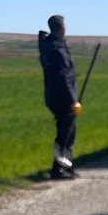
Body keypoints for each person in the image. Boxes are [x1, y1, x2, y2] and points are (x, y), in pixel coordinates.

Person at [38, 15, 82, 180]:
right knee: (65, 133)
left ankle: (65, 165)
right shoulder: (56, 48)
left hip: (55, 96)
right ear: (61, 28)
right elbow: (63, 76)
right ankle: (58, 169)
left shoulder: (50, 46)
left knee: (68, 131)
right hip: (62, 98)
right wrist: (73, 100)